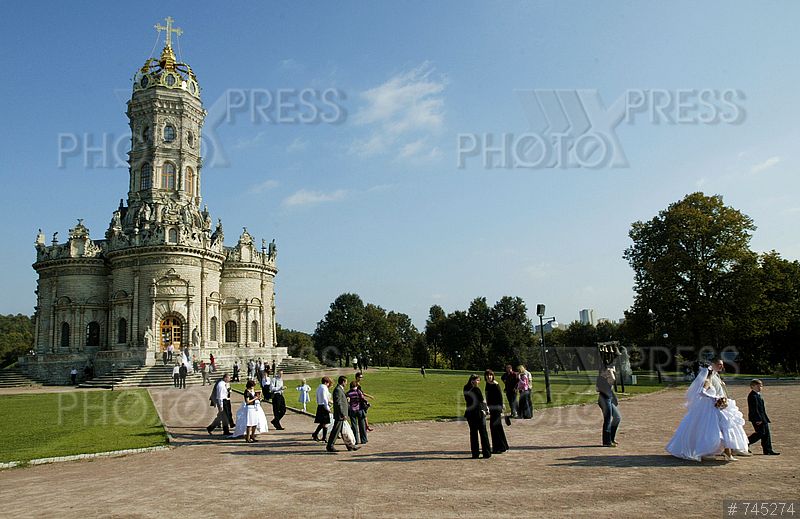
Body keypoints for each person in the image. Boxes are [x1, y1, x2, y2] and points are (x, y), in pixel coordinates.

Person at [667, 367, 734, 461]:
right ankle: (708, 450)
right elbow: (701, 392)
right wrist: (714, 397)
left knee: (717, 427)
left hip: (712, 407)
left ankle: (721, 450)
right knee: (708, 427)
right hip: (708, 407)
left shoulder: (711, 381)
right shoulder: (707, 381)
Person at [709, 358, 751, 457]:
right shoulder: (710, 375)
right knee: (725, 425)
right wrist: (717, 399)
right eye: (719, 364)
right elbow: (707, 390)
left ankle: (733, 448)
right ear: (713, 364)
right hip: (717, 405)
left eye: (721, 364)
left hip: (724, 403)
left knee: (732, 425)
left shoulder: (717, 375)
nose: (721, 366)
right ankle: (727, 449)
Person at [327, 375, 359, 452]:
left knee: (344, 431)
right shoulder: (338, 390)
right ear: (343, 382)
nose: (346, 383)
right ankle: (330, 446)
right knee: (336, 430)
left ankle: (350, 446)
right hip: (340, 415)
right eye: (346, 382)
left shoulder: (340, 389)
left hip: (341, 414)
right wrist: (342, 413)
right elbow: (338, 403)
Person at [747, 379, 779, 455]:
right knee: (760, 433)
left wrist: (764, 418)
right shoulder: (752, 396)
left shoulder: (758, 395)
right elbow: (754, 409)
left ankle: (768, 450)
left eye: (761, 386)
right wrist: (758, 419)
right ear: (752, 386)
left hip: (763, 418)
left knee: (766, 434)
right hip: (757, 418)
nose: (760, 387)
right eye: (758, 386)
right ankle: (745, 443)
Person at [464, 374, 491, 459]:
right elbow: (482, 401)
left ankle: (475, 453)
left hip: (469, 413)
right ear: (472, 380)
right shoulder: (476, 389)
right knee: (483, 433)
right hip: (478, 413)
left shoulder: (465, 388)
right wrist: (486, 410)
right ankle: (486, 453)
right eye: (477, 380)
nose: (478, 382)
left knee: (473, 433)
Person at [484, 369, 508, 454]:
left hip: (497, 408)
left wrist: (501, 406)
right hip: (491, 408)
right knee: (494, 426)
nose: (489, 377)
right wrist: (487, 406)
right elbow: (487, 396)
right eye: (488, 375)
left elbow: (500, 397)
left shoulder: (495, 384)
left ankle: (499, 447)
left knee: (495, 426)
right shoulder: (487, 384)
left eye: (490, 375)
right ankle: (501, 446)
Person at [596, 365, 621, 447]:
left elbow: (613, 382)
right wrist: (610, 371)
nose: (608, 373)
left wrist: (612, 371)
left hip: (609, 399)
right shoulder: (600, 378)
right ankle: (607, 441)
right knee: (608, 419)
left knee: (617, 417)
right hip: (604, 400)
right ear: (602, 372)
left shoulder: (606, 378)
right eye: (606, 372)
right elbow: (613, 380)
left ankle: (611, 438)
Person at [346, 381, 368, 445]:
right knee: (362, 425)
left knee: (354, 425)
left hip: (352, 410)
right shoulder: (358, 392)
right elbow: (363, 399)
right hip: (359, 410)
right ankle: (364, 439)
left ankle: (355, 440)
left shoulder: (348, 393)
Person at [312, 377, 333, 442]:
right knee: (324, 423)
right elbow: (325, 398)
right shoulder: (324, 388)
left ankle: (324, 437)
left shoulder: (319, 387)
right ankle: (315, 434)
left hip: (320, 405)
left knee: (324, 423)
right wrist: (327, 407)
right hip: (323, 405)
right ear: (326, 382)